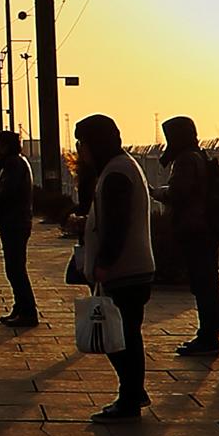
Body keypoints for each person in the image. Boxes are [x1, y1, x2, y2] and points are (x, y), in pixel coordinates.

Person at [71, 112, 155, 420]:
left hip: (124, 269)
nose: (80, 151)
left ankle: (129, 398)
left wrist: (105, 262)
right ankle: (133, 392)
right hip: (131, 267)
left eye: (82, 144)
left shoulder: (116, 173)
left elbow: (118, 224)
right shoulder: (119, 167)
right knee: (125, 334)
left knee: (120, 337)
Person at [151, 115, 219, 356]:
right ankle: (209, 333)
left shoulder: (185, 160)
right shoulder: (198, 156)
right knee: (207, 282)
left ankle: (208, 337)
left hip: (196, 230)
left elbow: (178, 193)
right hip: (204, 229)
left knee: (203, 284)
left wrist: (156, 193)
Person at [0, 130, 39, 327]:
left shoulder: (12, 164)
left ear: (5, 146)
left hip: (15, 223)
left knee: (15, 269)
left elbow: (7, 192)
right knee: (15, 268)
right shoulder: (17, 162)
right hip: (16, 222)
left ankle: (27, 311)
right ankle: (21, 307)